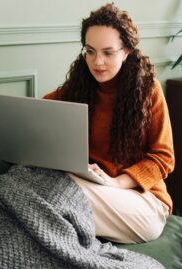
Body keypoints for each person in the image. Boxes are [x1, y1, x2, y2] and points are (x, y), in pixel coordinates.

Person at [44, 3, 175, 244]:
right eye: (90, 51)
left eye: (108, 52)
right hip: (92, 189)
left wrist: (116, 182)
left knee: (56, 193)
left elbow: (163, 159)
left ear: (126, 51)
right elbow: (39, 112)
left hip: (142, 201)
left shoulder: (149, 91)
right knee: (28, 179)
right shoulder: (77, 89)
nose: (97, 62)